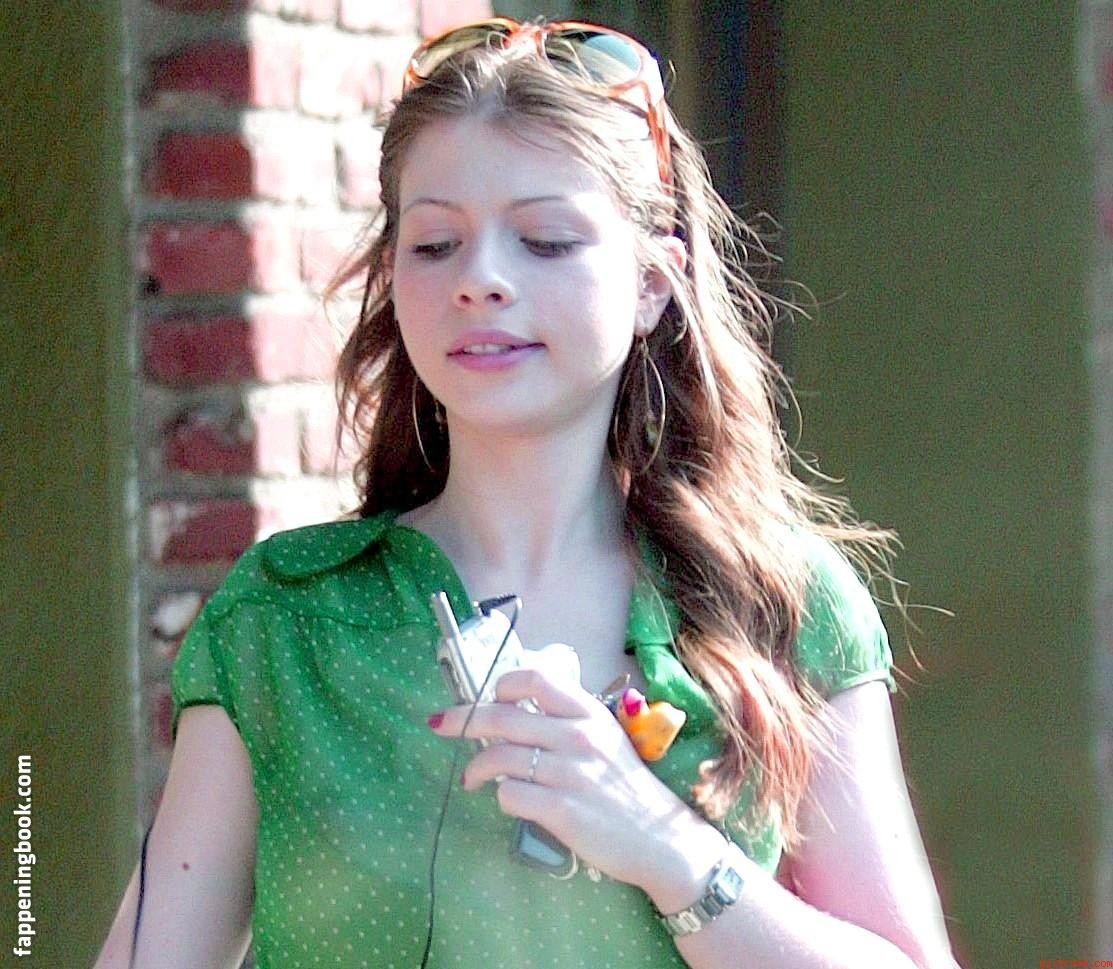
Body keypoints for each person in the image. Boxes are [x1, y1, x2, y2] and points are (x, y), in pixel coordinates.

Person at [95, 17, 962, 969]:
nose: (480, 280)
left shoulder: (782, 608)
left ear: (652, 283)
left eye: (545, 240)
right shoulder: (282, 623)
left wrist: (665, 847)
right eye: (436, 244)